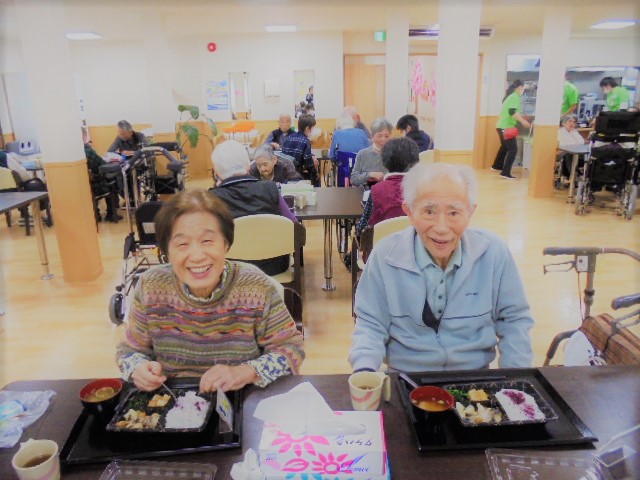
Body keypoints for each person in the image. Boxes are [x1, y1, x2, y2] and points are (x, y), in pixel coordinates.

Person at [349, 162, 534, 373]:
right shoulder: (385, 255)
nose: (441, 228)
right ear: (409, 212)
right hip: (405, 377)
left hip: (473, 379)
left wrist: (515, 377)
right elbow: (370, 324)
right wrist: (364, 370)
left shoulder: (493, 253)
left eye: (454, 213)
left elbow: (514, 320)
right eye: (429, 211)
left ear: (470, 212)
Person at [115, 189, 304, 393]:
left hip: (240, 396)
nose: (197, 256)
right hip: (172, 399)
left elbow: (292, 349)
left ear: (226, 244)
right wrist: (138, 367)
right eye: (182, 244)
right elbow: (128, 351)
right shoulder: (151, 286)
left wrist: (247, 371)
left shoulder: (255, 286)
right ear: (167, 251)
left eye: (207, 241)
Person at [209, 140, 299, 275]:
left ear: (216, 171)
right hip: (275, 266)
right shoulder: (270, 188)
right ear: (248, 165)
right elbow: (294, 226)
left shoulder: (211, 199)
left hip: (232, 269)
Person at [355, 137, 419, 236]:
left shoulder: (377, 190)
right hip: (413, 244)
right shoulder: (423, 189)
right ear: (415, 162)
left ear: (385, 162)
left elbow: (362, 228)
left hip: (382, 244)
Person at [491, 80, 532, 180]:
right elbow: (512, 111)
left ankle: (496, 166)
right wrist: (523, 121)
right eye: (523, 88)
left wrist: (522, 118)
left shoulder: (510, 96)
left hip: (501, 126)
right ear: (520, 87)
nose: (523, 90)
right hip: (507, 127)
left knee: (505, 147)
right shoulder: (515, 97)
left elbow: (512, 112)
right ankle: (505, 173)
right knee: (513, 149)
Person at [84, 142, 122, 223]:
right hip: (97, 184)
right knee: (113, 179)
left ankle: (96, 214)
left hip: (86, 185)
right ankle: (111, 214)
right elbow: (101, 164)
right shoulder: (88, 151)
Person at [350, 118, 393, 187]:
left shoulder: (394, 154)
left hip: (387, 191)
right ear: (372, 136)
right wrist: (369, 175)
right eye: (379, 136)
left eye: (387, 136)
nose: (383, 139)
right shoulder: (362, 154)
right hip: (367, 191)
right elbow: (353, 180)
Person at [281, 114, 320, 186]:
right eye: (313, 128)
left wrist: (312, 155)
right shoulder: (305, 141)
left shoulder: (289, 138)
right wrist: (316, 173)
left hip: (284, 174)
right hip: (296, 175)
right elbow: (309, 165)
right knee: (316, 177)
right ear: (307, 129)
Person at [556, 114, 586, 185]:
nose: (572, 123)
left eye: (574, 122)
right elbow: (562, 145)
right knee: (570, 155)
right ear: (564, 122)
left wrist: (574, 145)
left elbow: (581, 142)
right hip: (563, 152)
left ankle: (582, 175)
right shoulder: (560, 132)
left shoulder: (575, 132)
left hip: (576, 152)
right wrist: (574, 145)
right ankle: (573, 177)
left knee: (587, 156)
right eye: (570, 121)